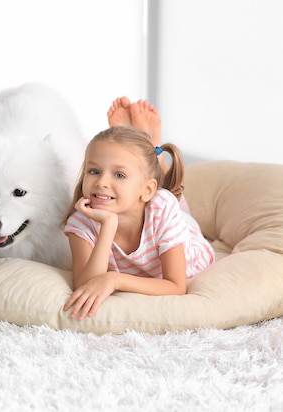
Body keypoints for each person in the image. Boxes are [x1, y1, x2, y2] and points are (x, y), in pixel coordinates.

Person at [62, 97, 214, 320]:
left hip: (183, 236)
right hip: (148, 202)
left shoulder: (161, 207)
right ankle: (143, 150)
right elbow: (86, 286)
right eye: (93, 171)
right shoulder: (81, 221)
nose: (101, 182)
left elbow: (176, 285)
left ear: (146, 190)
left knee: (174, 201)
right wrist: (108, 225)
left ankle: (155, 154)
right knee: (162, 196)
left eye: (119, 174)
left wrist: (115, 279)